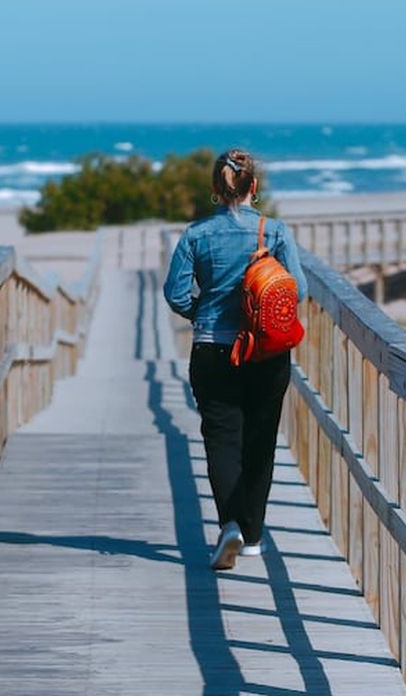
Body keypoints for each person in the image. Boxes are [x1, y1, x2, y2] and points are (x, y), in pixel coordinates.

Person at [162, 148, 308, 570]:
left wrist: (203, 313)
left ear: (216, 187)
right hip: (265, 351)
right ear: (253, 187)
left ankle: (229, 524)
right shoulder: (274, 232)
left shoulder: (196, 235)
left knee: (221, 438)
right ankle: (254, 536)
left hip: (213, 349)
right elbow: (297, 290)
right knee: (260, 441)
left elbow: (175, 293)